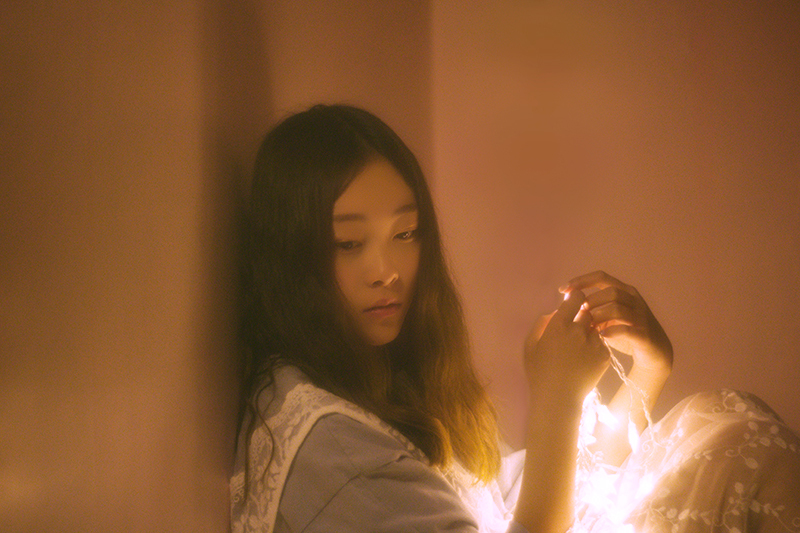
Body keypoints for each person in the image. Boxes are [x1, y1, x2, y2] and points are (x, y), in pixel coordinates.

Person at [230, 104, 800, 533]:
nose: (388, 272)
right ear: (293, 254)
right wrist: (555, 402)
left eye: (405, 234)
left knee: (720, 426)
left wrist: (647, 371)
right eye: (349, 244)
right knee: (740, 454)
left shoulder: (373, 380)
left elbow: (542, 497)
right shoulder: (330, 450)